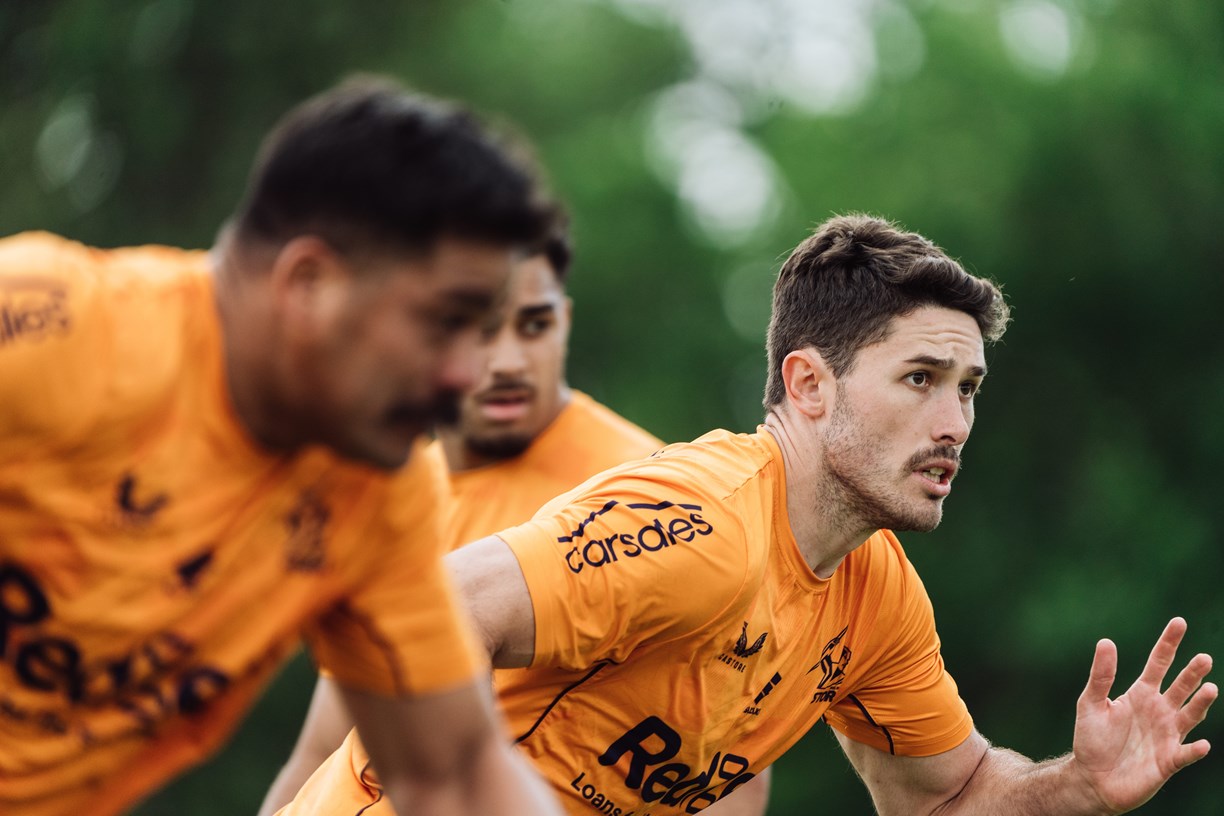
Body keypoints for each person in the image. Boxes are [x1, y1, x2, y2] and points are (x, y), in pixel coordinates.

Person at [276, 214, 1216, 816]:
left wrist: (1077, 787)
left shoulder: (875, 595)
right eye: (920, 379)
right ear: (807, 385)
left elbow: (948, 796)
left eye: (967, 388)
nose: (954, 423)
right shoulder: (703, 522)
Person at [0, 76, 568, 816]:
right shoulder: (51, 328)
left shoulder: (375, 492)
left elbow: (455, 774)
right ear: (308, 283)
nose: (470, 372)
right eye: (446, 322)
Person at [257, 226, 668, 815]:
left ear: (565, 320)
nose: (507, 361)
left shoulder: (642, 491)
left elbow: (723, 760)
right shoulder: (383, 501)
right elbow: (323, 750)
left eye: (534, 325)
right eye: (476, 327)